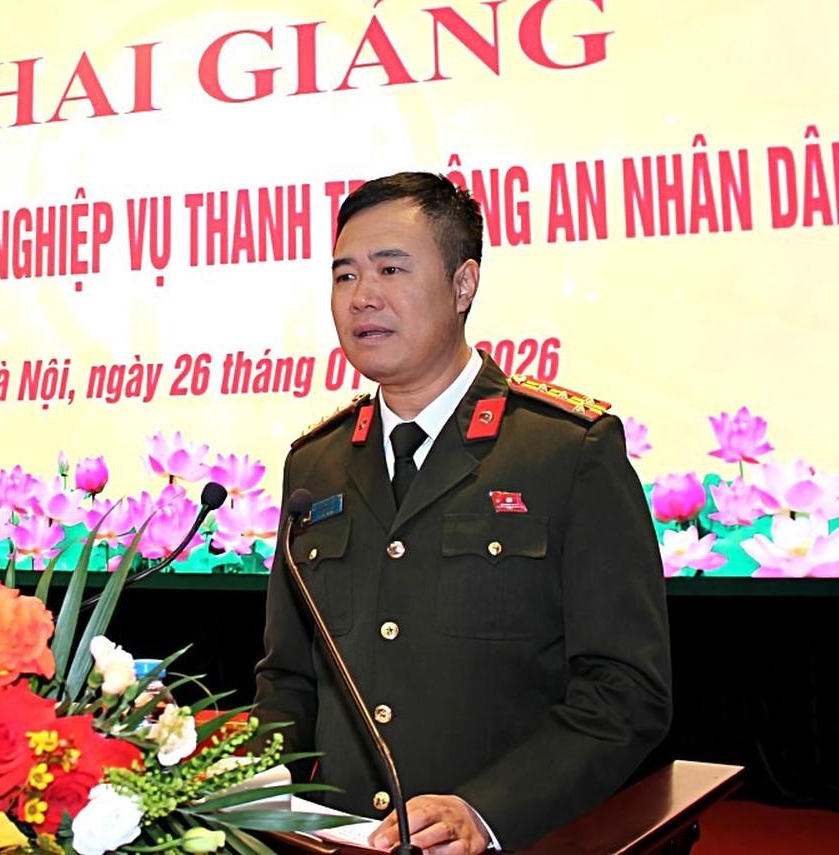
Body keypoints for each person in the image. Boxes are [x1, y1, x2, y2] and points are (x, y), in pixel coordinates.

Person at [254, 172, 671, 853]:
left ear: (463, 284)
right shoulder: (315, 463)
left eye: (391, 269)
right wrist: (256, 784)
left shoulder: (565, 449)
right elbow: (289, 678)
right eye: (345, 275)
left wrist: (487, 811)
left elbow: (625, 689)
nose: (362, 296)